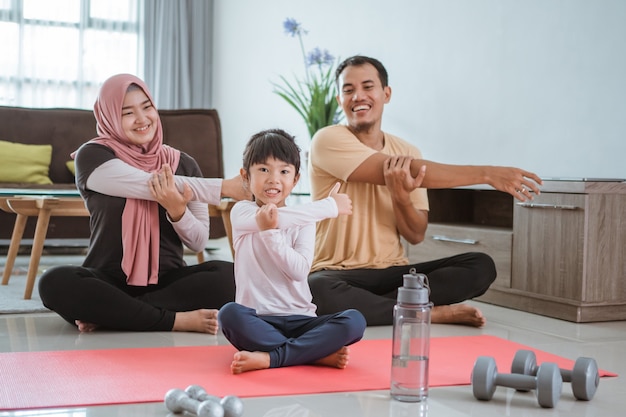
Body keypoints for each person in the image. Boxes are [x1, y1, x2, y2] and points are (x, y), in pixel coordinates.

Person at [307, 55, 543, 327]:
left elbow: (415, 234)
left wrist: (400, 196)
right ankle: (423, 312)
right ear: (340, 100)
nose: (358, 95)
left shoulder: (407, 151)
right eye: (348, 90)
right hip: (336, 273)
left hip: (392, 272)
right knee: (318, 290)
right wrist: (487, 174)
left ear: (386, 93)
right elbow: (403, 170)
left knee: (480, 266)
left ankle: (380, 307)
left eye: (367, 86)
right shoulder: (327, 139)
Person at [38, 74, 247, 334]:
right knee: (53, 282)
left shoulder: (184, 163)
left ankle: (114, 314)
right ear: (110, 116)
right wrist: (225, 187)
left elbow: (198, 242)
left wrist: (177, 210)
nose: (142, 119)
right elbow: (147, 183)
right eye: (127, 112)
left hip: (168, 283)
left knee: (235, 276)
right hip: (107, 280)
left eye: (147, 107)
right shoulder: (92, 156)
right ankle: (174, 320)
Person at [216, 129, 366, 374]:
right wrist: (327, 207)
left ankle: (271, 357)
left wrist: (269, 233)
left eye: (284, 171)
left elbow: (298, 271)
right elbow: (276, 217)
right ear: (246, 176)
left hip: (301, 320)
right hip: (257, 320)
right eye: (263, 170)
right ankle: (313, 355)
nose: (274, 179)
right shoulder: (241, 212)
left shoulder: (305, 219)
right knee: (229, 315)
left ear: (295, 179)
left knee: (354, 321)